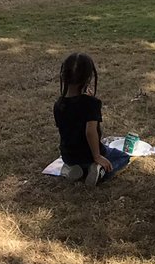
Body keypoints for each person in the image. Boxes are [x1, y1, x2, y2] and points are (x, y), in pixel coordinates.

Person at [53, 52, 131, 186]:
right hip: (89, 155)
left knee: (77, 162)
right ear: (88, 78)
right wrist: (97, 156)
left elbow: (67, 128)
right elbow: (90, 131)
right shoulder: (91, 103)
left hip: (69, 156)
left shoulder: (59, 104)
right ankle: (99, 171)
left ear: (64, 76)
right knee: (123, 157)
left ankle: (71, 169)